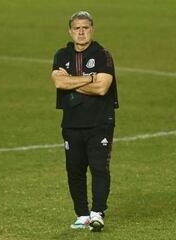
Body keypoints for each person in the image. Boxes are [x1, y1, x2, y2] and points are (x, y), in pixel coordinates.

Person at [51, 11, 119, 232]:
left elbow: (102, 88)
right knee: (75, 170)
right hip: (71, 122)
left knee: (99, 168)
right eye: (77, 28)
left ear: (92, 29)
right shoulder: (61, 55)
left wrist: (71, 80)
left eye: (85, 27)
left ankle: (97, 213)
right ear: (70, 31)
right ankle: (82, 215)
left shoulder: (103, 55)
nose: (81, 32)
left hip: (100, 121)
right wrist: (90, 78)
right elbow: (58, 83)